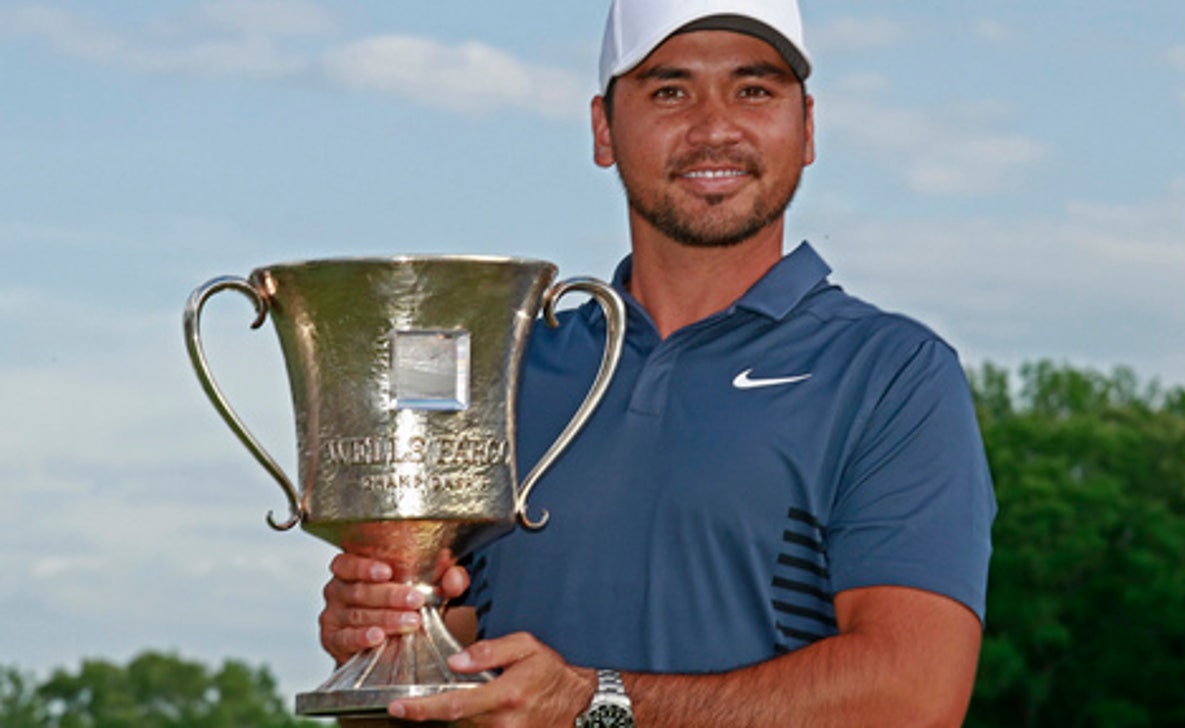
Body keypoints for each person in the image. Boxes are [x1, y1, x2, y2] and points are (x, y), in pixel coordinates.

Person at [320, 0, 997, 724]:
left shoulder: (891, 373)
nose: (714, 128)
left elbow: (914, 696)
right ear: (604, 129)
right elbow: (456, 657)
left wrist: (597, 705)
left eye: (754, 89)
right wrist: (384, 631)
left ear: (806, 129)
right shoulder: (502, 369)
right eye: (669, 90)